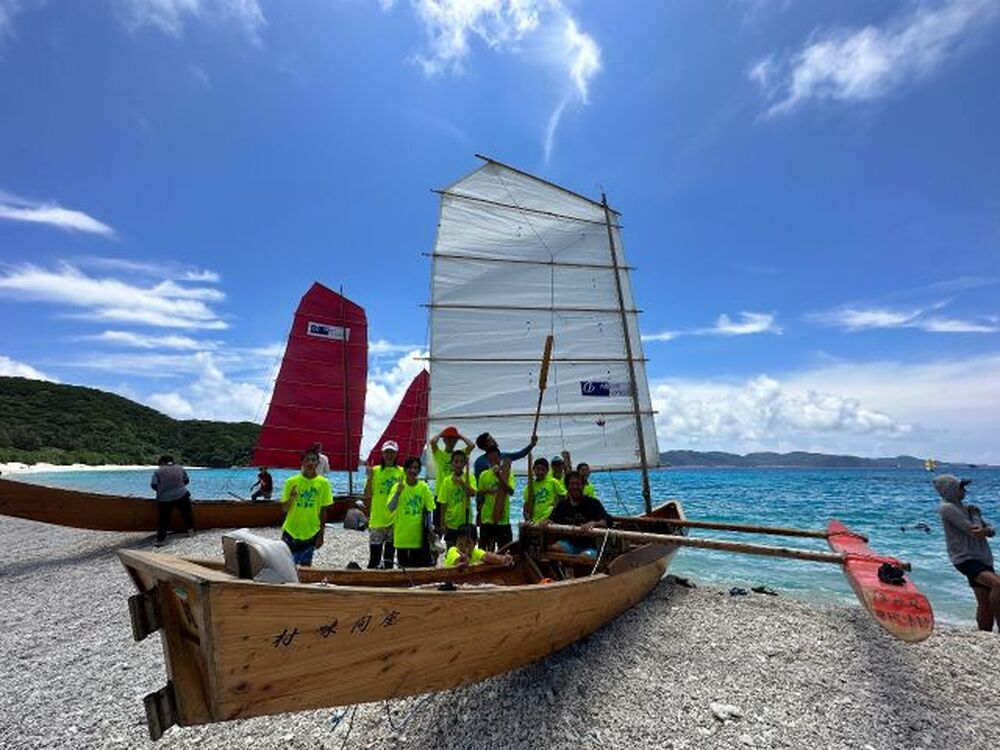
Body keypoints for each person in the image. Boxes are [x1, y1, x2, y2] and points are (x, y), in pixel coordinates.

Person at [935, 474, 999, 632]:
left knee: (984, 600)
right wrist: (977, 516)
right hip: (965, 558)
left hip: (982, 557)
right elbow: (975, 532)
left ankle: (985, 635)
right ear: (951, 489)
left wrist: (986, 529)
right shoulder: (946, 508)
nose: (965, 490)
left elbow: (989, 530)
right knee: (998, 584)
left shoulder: (966, 508)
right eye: (961, 487)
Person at [280, 449, 333, 566]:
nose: (310, 463)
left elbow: (323, 511)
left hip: (311, 532)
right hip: (290, 531)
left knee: (306, 568)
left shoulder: (323, 483)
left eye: (313, 460)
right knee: (287, 567)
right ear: (302, 462)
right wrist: (291, 498)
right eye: (307, 460)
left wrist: (321, 535)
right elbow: (284, 509)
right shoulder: (291, 482)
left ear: (318, 463)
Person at [543, 470, 612, 559]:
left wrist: (594, 523)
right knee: (553, 549)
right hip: (568, 544)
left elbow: (607, 521)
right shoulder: (561, 506)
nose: (575, 487)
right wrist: (546, 522)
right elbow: (551, 520)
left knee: (582, 558)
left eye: (578, 484)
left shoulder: (594, 503)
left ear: (583, 486)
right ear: (567, 487)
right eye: (572, 484)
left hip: (591, 547)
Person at [388, 457, 436, 568]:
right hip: (402, 537)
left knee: (418, 568)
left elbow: (429, 510)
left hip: (418, 537)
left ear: (419, 470)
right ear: (405, 470)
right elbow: (390, 508)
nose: (413, 471)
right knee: (403, 570)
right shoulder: (397, 486)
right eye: (410, 468)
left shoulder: (423, 487)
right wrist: (398, 493)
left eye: (416, 468)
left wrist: (430, 529)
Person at [364, 440, 404, 569]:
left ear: (396, 454)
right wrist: (369, 478)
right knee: (374, 558)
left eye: (392, 452)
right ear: (382, 453)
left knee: (389, 558)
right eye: (386, 452)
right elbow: (367, 494)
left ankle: (387, 583)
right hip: (377, 520)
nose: (389, 455)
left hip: (394, 520)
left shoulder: (401, 472)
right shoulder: (375, 471)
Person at [151, 454, 194, 547]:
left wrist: (163, 489)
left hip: (164, 497)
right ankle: (190, 531)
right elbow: (186, 481)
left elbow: (154, 485)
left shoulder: (158, 472)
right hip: (181, 494)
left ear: (162, 462)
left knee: (163, 519)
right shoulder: (180, 468)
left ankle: (161, 540)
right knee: (187, 513)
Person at [436, 450, 477, 546]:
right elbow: (443, 503)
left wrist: (462, 483)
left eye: (461, 462)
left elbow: (472, 493)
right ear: (452, 463)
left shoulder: (469, 477)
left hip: (465, 522)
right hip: (450, 524)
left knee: (467, 551)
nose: (458, 465)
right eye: (456, 461)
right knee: (451, 551)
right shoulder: (446, 481)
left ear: (464, 464)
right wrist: (443, 523)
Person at [478, 448, 516, 552]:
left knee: (505, 551)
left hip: (503, 520)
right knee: (485, 551)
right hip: (486, 518)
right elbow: (480, 493)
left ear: (500, 458)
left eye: (495, 457)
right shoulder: (484, 475)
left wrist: (499, 476)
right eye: (490, 458)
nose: (493, 460)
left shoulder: (508, 474)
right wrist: (487, 491)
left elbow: (511, 491)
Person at [443, 524, 514, 568]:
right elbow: (457, 561)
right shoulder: (453, 550)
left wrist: (503, 559)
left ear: (475, 542)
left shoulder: (475, 552)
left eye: (468, 544)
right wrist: (461, 562)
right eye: (460, 544)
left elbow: (487, 556)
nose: (464, 548)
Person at [472, 431, 537, 480]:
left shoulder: (503, 456)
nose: (494, 441)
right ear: (484, 446)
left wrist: (531, 445)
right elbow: (479, 483)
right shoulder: (479, 462)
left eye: (493, 438)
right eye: (490, 440)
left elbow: (519, 454)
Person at [523, 457, 565, 523]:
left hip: (549, 520)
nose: (540, 472)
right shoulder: (530, 486)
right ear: (533, 469)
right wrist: (526, 516)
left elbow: (563, 496)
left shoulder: (553, 482)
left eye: (543, 469)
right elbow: (526, 504)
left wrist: (554, 509)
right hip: (535, 520)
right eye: (538, 469)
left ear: (547, 471)